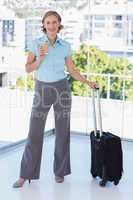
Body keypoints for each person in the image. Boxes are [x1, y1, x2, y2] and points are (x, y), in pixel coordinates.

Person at [13, 10, 98, 188]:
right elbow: (28, 68)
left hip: (62, 89)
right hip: (42, 88)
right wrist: (40, 58)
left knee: (62, 132)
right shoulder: (36, 44)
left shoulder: (65, 45)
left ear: (59, 24)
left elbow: (72, 70)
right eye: (48, 22)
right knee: (34, 133)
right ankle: (25, 174)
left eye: (54, 22)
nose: (51, 25)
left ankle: (60, 172)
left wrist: (87, 82)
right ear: (43, 25)